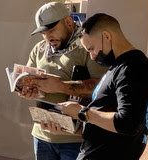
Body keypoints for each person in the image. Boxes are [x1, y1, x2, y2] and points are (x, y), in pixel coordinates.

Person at [58, 13, 148, 160]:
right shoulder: (122, 66)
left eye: (92, 48)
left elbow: (128, 124)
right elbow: (107, 121)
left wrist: (82, 112)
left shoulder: (133, 67)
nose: (92, 56)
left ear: (106, 36)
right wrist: (69, 127)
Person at [19, 2, 108, 160]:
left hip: (75, 139)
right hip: (42, 134)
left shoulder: (87, 47)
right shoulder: (38, 49)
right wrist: (30, 91)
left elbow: (102, 87)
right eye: (43, 32)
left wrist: (61, 86)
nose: (47, 37)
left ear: (68, 22)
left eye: (52, 30)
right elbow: (30, 80)